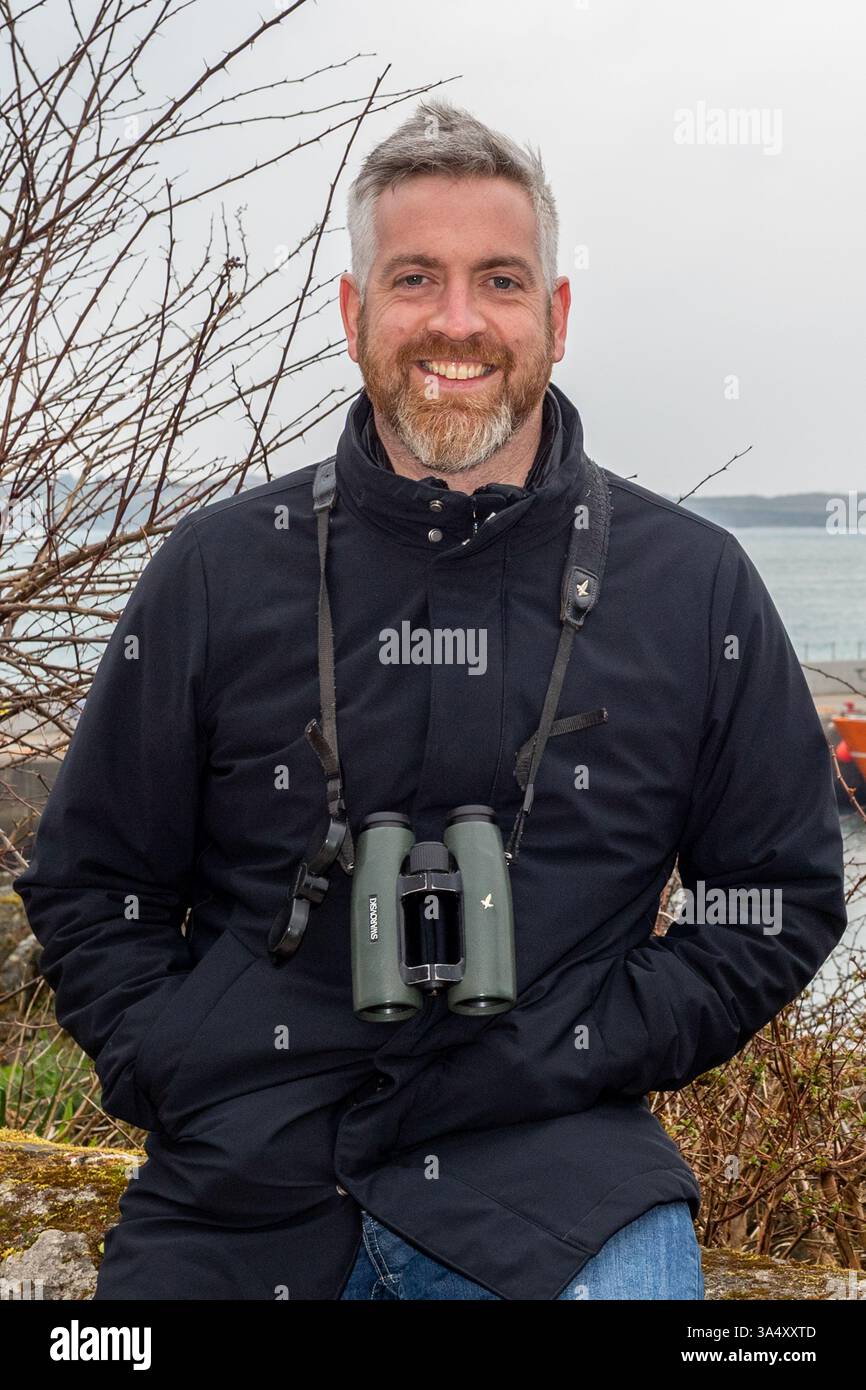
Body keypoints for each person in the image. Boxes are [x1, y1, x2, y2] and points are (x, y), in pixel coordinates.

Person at [13, 99, 847, 1301]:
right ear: (355, 315)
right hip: (246, 1178)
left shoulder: (689, 583)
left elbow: (774, 895)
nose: (456, 321)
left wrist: (584, 1042)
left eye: (499, 280)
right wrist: (182, 1057)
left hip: (555, 1168)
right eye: (414, 278)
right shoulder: (217, 569)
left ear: (554, 319)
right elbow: (93, 886)